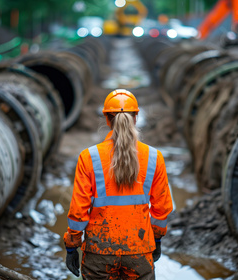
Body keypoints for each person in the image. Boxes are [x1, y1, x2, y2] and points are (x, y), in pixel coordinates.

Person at [63, 89, 174, 279]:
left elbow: (78, 212)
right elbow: (162, 208)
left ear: (107, 118)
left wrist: (72, 246)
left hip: (99, 251)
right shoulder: (154, 157)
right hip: (139, 250)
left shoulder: (89, 157)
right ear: (136, 118)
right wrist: (156, 239)